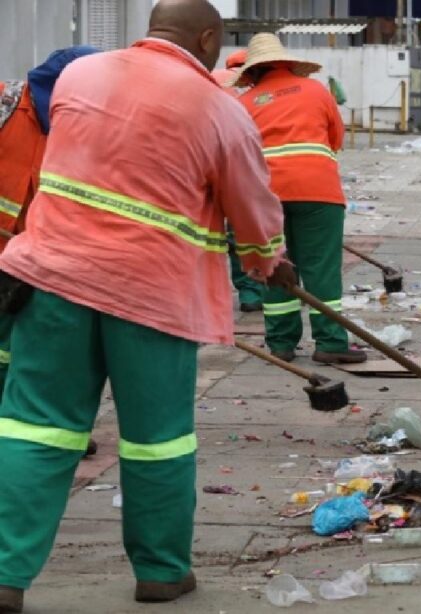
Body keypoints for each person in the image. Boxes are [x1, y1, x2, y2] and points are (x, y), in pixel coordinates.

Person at [0, 0, 293, 610]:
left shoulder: (81, 75)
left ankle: (5, 574)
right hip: (151, 297)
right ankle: (160, 572)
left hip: (52, 279)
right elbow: (253, 208)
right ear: (207, 38)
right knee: (156, 439)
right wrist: (268, 259)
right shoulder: (219, 108)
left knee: (36, 428)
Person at [234, 33, 366, 365]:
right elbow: (336, 139)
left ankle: (280, 344)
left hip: (266, 196)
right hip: (317, 190)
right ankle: (330, 343)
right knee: (320, 268)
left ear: (251, 73)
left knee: (275, 265)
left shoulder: (244, 103)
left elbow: (237, 153)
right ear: (291, 64)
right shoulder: (316, 91)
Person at [0, 46, 98, 401]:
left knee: (45, 346)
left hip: (44, 260)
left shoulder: (91, 129)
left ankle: (49, 420)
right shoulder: (6, 105)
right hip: (6, 255)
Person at [211, 50, 266, 312]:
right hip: (238, 165)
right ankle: (250, 293)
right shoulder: (254, 89)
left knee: (206, 232)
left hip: (204, 162)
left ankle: (207, 297)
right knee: (242, 229)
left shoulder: (209, 78)